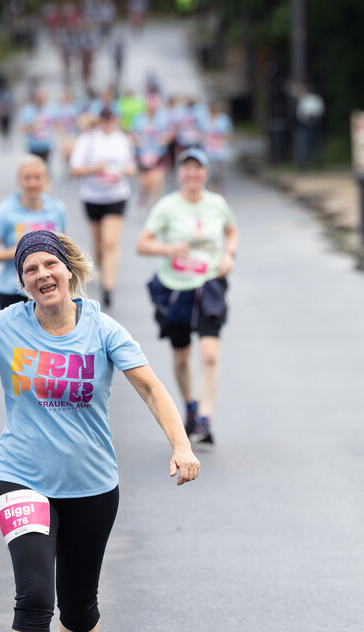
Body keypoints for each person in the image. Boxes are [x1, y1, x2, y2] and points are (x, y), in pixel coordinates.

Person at [0, 229, 200, 632]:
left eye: (49, 265)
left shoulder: (102, 329)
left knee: (78, 604)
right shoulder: (5, 326)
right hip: (20, 477)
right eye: (30, 270)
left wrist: (181, 445)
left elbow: (150, 387)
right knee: (34, 596)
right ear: (21, 281)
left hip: (91, 485)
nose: (41, 275)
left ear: (68, 269)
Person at [135, 149, 239, 445]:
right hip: (176, 288)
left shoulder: (216, 204)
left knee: (210, 353)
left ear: (205, 173)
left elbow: (232, 231)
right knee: (181, 357)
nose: (192, 174)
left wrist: (229, 254)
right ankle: (190, 406)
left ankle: (205, 418)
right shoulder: (167, 206)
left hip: (210, 284)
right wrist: (168, 249)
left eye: (198, 168)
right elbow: (142, 244)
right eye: (187, 168)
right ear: (179, 173)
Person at [69, 106, 135, 308]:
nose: (107, 123)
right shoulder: (88, 139)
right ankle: (100, 267)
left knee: (110, 242)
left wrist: (127, 170)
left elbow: (131, 165)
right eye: (104, 119)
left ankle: (108, 286)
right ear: (99, 120)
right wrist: (95, 169)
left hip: (116, 195)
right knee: (98, 243)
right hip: (93, 196)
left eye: (110, 119)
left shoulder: (122, 140)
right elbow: (75, 168)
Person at [0, 155, 68, 309]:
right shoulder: (5, 212)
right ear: (19, 181)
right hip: (13, 291)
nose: (32, 183)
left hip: (49, 288)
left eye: (37, 178)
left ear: (46, 179)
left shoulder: (57, 209)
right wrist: (22, 251)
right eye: (27, 178)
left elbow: (64, 249)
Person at [130, 91, 172, 207]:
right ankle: (144, 196)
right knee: (145, 183)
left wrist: (164, 140)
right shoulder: (139, 118)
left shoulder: (162, 118)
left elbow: (170, 133)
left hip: (158, 155)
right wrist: (137, 142)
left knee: (156, 182)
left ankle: (154, 206)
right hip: (143, 155)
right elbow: (132, 134)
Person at [18, 88, 58, 163]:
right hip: (33, 145)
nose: (40, 99)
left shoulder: (50, 109)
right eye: (38, 97)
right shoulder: (28, 109)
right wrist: (32, 127)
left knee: (44, 166)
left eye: (42, 97)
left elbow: (57, 124)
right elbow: (21, 127)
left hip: (46, 145)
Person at [202, 101, 234, 193]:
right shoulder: (205, 120)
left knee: (220, 176)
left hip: (221, 152)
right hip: (208, 152)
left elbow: (229, 134)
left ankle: (219, 193)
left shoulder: (223, 119)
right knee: (209, 175)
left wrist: (222, 140)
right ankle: (209, 193)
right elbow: (202, 134)